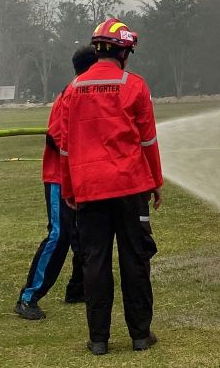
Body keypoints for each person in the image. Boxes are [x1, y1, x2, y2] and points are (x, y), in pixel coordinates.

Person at [60, 18, 163, 355]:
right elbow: (147, 140)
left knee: (95, 262)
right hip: (130, 187)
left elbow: (65, 146)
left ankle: (99, 340)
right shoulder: (134, 85)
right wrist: (156, 181)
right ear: (123, 52)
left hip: (89, 189)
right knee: (135, 259)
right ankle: (140, 335)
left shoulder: (73, 89)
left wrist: (69, 189)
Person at [14, 45, 97, 320]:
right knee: (59, 235)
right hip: (60, 178)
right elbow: (57, 136)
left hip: (81, 178)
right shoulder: (71, 93)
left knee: (84, 234)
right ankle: (28, 297)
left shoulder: (87, 91)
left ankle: (78, 289)